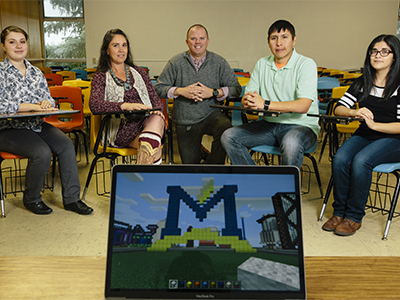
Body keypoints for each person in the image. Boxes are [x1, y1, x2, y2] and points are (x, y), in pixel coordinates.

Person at [0, 26, 93, 215]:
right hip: (8, 129)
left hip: (36, 125)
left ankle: (72, 199)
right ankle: (32, 199)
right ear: (3, 46)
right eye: (12, 42)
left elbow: (48, 99)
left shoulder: (36, 72)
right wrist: (30, 106)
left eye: (22, 41)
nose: (18, 46)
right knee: (41, 152)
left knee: (66, 145)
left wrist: (44, 103)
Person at [322, 34, 400, 236]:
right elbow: (339, 109)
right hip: (365, 134)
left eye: (384, 51)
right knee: (340, 158)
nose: (378, 55)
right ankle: (339, 213)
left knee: (361, 161)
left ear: (395, 56)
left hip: (394, 140)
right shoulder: (363, 82)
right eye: (374, 51)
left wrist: (375, 126)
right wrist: (353, 112)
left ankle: (354, 217)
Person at [221, 20, 320, 170]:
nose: (279, 43)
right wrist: (247, 100)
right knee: (229, 136)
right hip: (269, 125)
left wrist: (265, 104)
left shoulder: (306, 64)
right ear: (268, 43)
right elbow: (249, 95)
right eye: (274, 38)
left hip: (302, 126)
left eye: (284, 37)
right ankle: (259, 183)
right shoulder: (262, 64)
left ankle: (285, 193)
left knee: (291, 142)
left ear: (294, 40)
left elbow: (303, 105)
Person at [154, 24, 241, 164]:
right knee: (190, 166)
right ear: (187, 42)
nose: (198, 42)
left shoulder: (219, 62)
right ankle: (199, 162)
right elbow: (158, 88)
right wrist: (181, 91)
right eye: (193, 39)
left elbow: (236, 89)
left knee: (226, 128)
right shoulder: (175, 62)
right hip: (185, 120)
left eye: (201, 38)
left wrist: (213, 92)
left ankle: (212, 168)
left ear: (207, 41)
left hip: (211, 115)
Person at [89, 29, 165, 165]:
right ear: (107, 50)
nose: (121, 50)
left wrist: (156, 109)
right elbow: (95, 105)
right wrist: (124, 106)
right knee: (154, 145)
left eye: (124, 45)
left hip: (145, 123)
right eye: (115, 45)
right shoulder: (100, 76)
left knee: (156, 119)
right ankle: (142, 183)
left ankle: (139, 181)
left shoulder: (140, 72)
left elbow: (156, 101)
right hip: (121, 129)